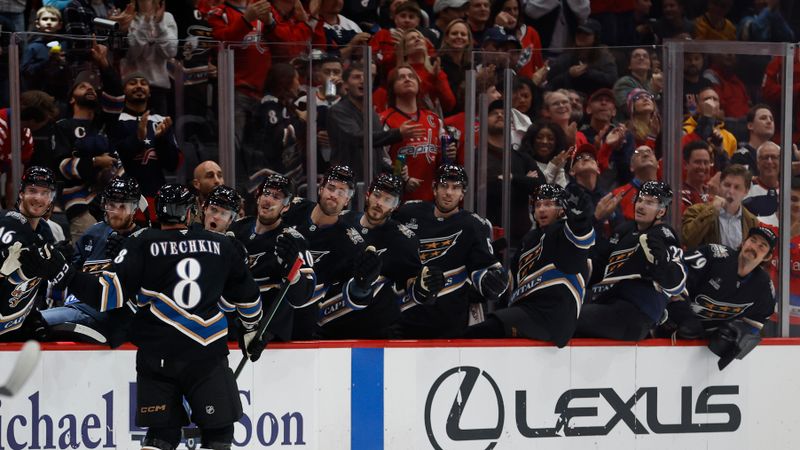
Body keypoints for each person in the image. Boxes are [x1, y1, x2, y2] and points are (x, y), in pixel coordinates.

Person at [60, 183, 263, 450]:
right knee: (219, 433)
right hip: (205, 355)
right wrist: (251, 330)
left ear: (159, 212)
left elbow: (106, 296)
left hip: (156, 357)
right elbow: (248, 297)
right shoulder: (221, 244)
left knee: (161, 435)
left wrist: (65, 273)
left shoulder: (141, 241)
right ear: (191, 213)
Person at [464, 183, 594, 346]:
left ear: (562, 209)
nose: (541, 210)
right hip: (526, 312)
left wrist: (581, 218)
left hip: (551, 316)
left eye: (548, 204)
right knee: (477, 327)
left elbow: (580, 235)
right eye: (538, 205)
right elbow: (509, 283)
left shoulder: (564, 232)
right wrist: (488, 282)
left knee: (482, 330)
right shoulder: (529, 239)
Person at [393, 164, 509, 338]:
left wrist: (492, 282)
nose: (449, 192)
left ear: (463, 193)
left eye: (456, 188)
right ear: (434, 188)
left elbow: (484, 268)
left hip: (448, 323)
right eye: (444, 186)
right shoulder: (408, 213)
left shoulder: (473, 225)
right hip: (404, 317)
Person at [40, 176, 143, 346]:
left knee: (34, 323)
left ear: (134, 208)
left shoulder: (143, 240)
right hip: (76, 308)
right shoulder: (94, 233)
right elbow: (69, 280)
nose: (116, 212)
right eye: (111, 205)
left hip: (108, 318)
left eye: (123, 206)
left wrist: (127, 253)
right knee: (26, 322)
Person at [281, 165, 382, 340]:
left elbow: (356, 300)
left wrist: (363, 286)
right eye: (331, 187)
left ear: (347, 201)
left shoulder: (352, 243)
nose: (334, 195)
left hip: (305, 328)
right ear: (321, 189)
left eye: (342, 192)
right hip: (268, 313)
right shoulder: (292, 208)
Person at [337, 173, 443, 338]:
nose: (380, 203)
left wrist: (426, 286)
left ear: (396, 206)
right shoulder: (342, 222)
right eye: (377, 195)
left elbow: (412, 282)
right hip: (334, 323)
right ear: (368, 195)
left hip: (377, 330)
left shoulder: (403, 239)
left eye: (388, 200)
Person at [577, 181, 686, 341]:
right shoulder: (624, 230)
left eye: (649, 202)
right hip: (609, 302)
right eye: (640, 200)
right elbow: (598, 267)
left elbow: (677, 282)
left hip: (635, 314)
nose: (640, 206)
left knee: (568, 316)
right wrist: (595, 221)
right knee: (561, 304)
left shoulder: (663, 235)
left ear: (661, 211)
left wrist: (663, 264)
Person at [660, 227, 776, 369]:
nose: (754, 247)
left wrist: (737, 333)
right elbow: (674, 277)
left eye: (762, 246)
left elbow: (756, 321)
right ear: (743, 242)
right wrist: (684, 316)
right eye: (752, 240)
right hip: (669, 332)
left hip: (706, 351)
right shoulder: (714, 255)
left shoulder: (764, 287)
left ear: (767, 257)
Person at [229, 174, 315, 342]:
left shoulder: (293, 241)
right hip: (232, 331)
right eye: (266, 193)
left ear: (286, 206)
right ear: (258, 196)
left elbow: (302, 298)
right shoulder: (237, 229)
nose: (268, 200)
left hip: (270, 338)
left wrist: (294, 274)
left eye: (276, 197)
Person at [327, 65, 424, 181]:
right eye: (356, 77)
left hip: (370, 184)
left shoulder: (371, 114)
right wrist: (398, 133)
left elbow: (376, 154)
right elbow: (357, 138)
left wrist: (394, 170)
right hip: (345, 184)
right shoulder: (338, 111)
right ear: (346, 85)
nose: (362, 80)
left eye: (366, 77)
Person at [108, 72, 182, 222]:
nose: (139, 86)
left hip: (156, 197)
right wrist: (138, 138)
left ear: (149, 92)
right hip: (124, 199)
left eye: (143, 83)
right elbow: (115, 158)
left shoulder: (161, 121)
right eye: (133, 82)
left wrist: (161, 140)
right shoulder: (115, 121)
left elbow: (173, 164)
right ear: (124, 90)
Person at [0, 167, 60, 342]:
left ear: (51, 199)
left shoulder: (45, 232)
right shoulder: (6, 222)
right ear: (21, 194)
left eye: (45, 193)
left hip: (17, 320)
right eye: (32, 191)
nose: (38, 198)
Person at [380, 65, 446, 202]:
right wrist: (402, 179)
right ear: (392, 87)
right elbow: (382, 159)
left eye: (411, 76)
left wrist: (448, 153)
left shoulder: (433, 119)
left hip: (432, 200)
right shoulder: (384, 119)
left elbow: (442, 159)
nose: (407, 79)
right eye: (401, 77)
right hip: (397, 199)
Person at [682, 164, 758, 251]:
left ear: (746, 191)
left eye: (737, 187)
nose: (730, 191)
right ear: (720, 185)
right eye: (727, 185)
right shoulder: (696, 211)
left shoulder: (752, 221)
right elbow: (687, 240)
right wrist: (712, 210)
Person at [611, 144, 660, 221]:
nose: (646, 154)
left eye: (649, 152)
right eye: (638, 153)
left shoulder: (670, 195)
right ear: (631, 167)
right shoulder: (618, 195)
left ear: (658, 164)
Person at [743, 141, 780, 226]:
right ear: (757, 163)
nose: (769, 162)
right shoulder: (745, 190)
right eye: (765, 157)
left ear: (781, 161)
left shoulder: (790, 191)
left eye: (774, 157)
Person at [731, 104, 774, 176]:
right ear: (750, 126)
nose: (769, 121)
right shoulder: (740, 156)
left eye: (771, 119)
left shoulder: (780, 154)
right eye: (763, 118)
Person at [680, 140, 714, 212]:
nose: (702, 167)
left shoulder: (712, 192)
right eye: (697, 162)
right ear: (685, 164)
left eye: (706, 162)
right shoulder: (681, 196)